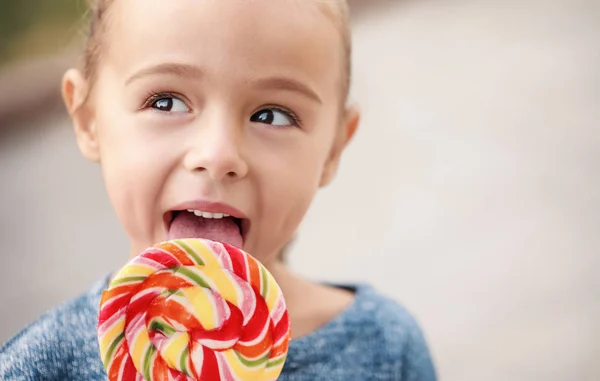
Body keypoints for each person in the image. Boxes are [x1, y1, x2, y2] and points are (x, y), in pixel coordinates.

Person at [0, 0, 437, 379]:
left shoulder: (386, 349)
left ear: (333, 149)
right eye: (166, 101)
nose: (219, 154)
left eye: (273, 115)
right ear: (88, 119)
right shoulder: (39, 365)